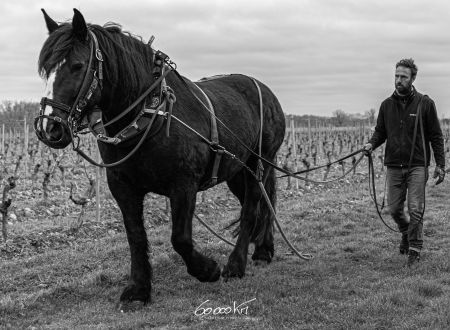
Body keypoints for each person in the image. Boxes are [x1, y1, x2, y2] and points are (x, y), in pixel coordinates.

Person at [364, 58, 445, 267]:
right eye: (396, 76)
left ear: (413, 78)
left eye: (403, 77)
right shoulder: (386, 105)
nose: (398, 80)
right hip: (393, 165)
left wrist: (440, 165)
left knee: (416, 208)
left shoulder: (425, 103)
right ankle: (406, 232)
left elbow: (436, 136)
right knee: (394, 209)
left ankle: (415, 250)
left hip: (417, 164)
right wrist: (371, 145)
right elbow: (380, 132)